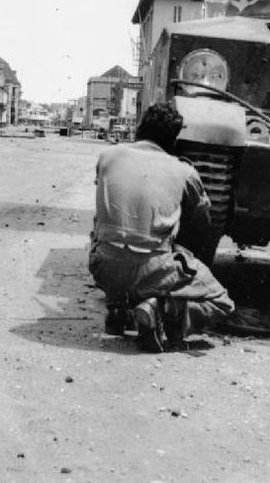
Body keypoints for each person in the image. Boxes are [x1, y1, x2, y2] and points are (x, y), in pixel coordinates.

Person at [89, 102, 249, 352]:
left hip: (103, 267)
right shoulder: (184, 171)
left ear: (140, 129)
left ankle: (119, 308)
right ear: (174, 139)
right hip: (152, 269)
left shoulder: (107, 157)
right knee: (222, 303)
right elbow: (203, 225)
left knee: (107, 220)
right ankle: (161, 309)